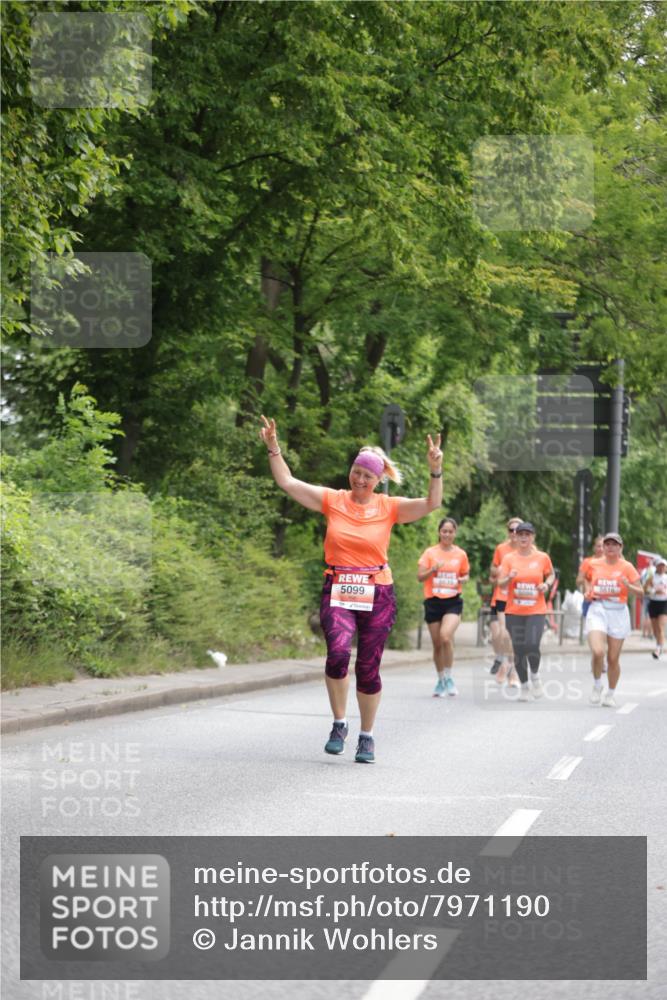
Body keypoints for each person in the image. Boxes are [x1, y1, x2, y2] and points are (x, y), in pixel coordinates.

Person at [260, 415, 443, 763]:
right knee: (338, 653)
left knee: (369, 667)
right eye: (357, 472)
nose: (360, 479)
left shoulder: (389, 508)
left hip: (378, 591)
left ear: (378, 480)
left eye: (368, 476)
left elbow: (432, 504)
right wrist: (273, 446)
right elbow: (287, 481)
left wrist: (436, 470)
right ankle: (340, 723)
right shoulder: (333, 500)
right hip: (339, 586)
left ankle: (367, 736)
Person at [584, 532, 643, 707]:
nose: (610, 547)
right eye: (607, 544)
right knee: (597, 651)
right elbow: (586, 580)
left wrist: (628, 586)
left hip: (618, 612)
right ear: (603, 547)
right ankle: (597, 685)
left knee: (612, 659)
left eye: (614, 544)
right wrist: (587, 592)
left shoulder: (627, 567)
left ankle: (610, 693)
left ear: (620, 548)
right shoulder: (593, 564)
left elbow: (641, 593)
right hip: (598, 609)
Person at [497, 522, 555, 702]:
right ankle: (524, 686)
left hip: (536, 610)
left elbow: (551, 575)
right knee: (519, 650)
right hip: (514, 610)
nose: (523, 537)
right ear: (515, 536)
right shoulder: (509, 559)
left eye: (527, 534)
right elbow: (500, 583)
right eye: (520, 534)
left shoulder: (542, 557)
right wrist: (509, 578)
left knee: (531, 645)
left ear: (532, 537)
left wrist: (546, 584)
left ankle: (535, 675)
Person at [417, 517, 470, 697]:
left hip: (453, 601)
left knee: (446, 637)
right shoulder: (430, 553)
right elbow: (420, 577)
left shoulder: (460, 554)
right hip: (433, 601)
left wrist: (464, 579)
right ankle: (440, 680)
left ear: (455, 533)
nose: (447, 534)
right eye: (444, 531)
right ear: (439, 532)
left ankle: (449, 677)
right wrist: (432, 570)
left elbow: (465, 574)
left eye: (450, 531)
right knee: (437, 644)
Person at [488, 517, 524, 685]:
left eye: (518, 530)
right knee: (503, 635)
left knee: (515, 636)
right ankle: (505, 662)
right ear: (508, 532)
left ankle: (513, 671)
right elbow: (493, 569)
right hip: (502, 595)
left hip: (521, 598)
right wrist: (500, 570)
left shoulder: (530, 551)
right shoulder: (501, 549)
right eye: (511, 530)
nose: (515, 534)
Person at [644, 556, 667, 659]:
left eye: (663, 566)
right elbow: (645, 590)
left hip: (664, 603)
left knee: (661, 627)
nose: (662, 568)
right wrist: (654, 591)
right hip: (653, 602)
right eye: (660, 566)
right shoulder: (652, 577)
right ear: (656, 567)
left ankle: (658, 648)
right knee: (655, 628)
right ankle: (659, 644)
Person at [576, 536, 605, 618]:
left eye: (603, 546)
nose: (601, 549)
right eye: (599, 546)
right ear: (594, 548)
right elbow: (578, 581)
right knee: (590, 629)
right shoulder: (587, 562)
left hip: (606, 601)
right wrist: (586, 580)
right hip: (590, 600)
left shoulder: (610, 563)